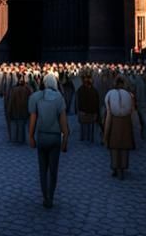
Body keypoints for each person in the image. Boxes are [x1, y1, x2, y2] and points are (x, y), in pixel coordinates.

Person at [28, 74, 69, 209]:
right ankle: (51, 196)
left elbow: (33, 118)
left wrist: (31, 136)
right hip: (55, 138)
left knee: (42, 169)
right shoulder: (59, 98)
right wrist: (65, 139)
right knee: (53, 170)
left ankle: (45, 197)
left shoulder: (36, 97)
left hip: (42, 136)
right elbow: (63, 123)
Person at [104, 75, 135, 179]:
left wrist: (105, 133)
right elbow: (132, 111)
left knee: (114, 146)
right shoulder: (129, 95)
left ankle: (115, 167)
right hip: (126, 121)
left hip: (114, 121)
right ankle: (122, 167)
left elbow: (108, 113)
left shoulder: (110, 94)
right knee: (124, 147)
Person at [76, 71, 100, 143]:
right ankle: (88, 138)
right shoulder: (93, 90)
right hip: (89, 112)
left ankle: (84, 137)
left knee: (85, 126)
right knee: (88, 126)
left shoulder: (81, 90)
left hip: (86, 112)